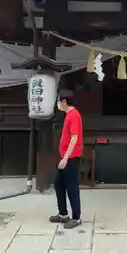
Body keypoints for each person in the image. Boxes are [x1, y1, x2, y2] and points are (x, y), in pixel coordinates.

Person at [49, 89, 83, 229]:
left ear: (64, 102)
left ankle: (76, 217)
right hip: (65, 157)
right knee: (58, 184)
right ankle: (63, 214)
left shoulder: (73, 115)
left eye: (58, 101)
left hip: (71, 158)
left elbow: (74, 138)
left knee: (72, 187)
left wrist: (66, 158)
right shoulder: (68, 115)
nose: (57, 104)